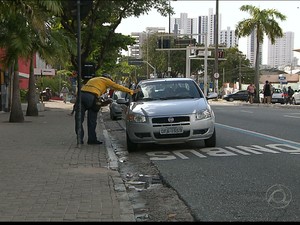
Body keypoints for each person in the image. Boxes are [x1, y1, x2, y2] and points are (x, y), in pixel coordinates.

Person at [75, 73, 139, 145]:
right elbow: (117, 86)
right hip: (92, 97)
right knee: (92, 120)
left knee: (79, 119)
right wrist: (131, 91)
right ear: (109, 79)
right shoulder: (106, 80)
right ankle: (92, 139)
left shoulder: (93, 79)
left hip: (81, 96)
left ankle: (79, 140)